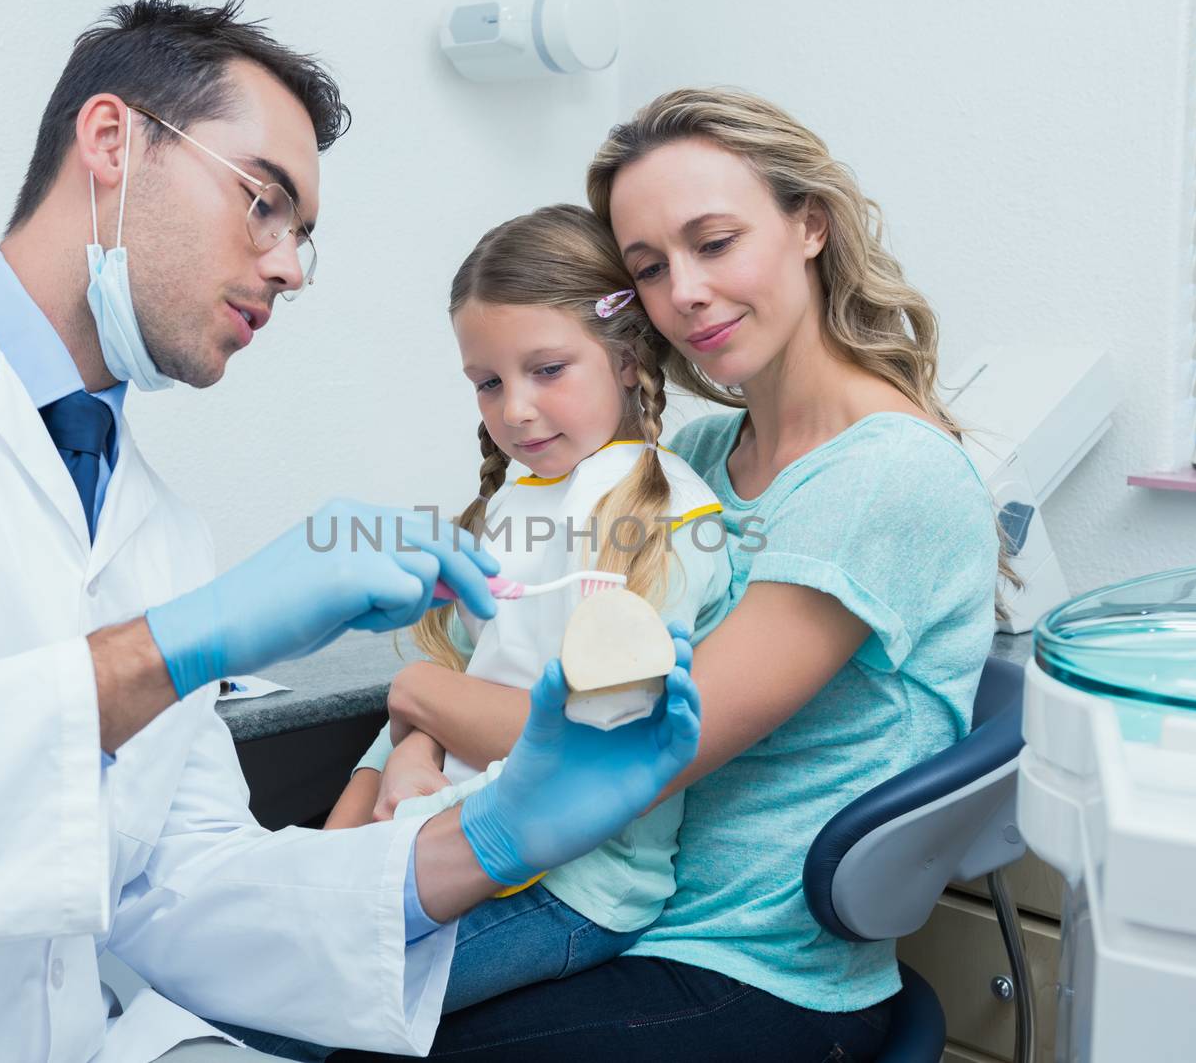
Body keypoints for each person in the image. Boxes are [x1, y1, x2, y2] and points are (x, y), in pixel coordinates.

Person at [0, 5, 704, 1062]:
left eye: (302, 235)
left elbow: (189, 893)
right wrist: (180, 641)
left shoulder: (158, 534)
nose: (290, 267)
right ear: (112, 141)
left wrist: (490, 836)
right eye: (263, 202)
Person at [336, 87, 1010, 1062]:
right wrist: (394, 754)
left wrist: (416, 696)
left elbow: (636, 742)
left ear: (808, 225)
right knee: (316, 998)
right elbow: (511, 650)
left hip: (751, 974)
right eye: (650, 266)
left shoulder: (884, 472)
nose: (683, 290)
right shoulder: (692, 449)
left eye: (715, 242)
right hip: (615, 921)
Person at [327, 206, 731, 1014]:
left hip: (573, 887)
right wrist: (414, 750)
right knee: (268, 958)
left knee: (311, 998)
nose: (514, 409)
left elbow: (598, 750)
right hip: (453, 833)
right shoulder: (519, 501)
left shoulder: (665, 519)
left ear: (624, 357)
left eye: (547, 369)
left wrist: (422, 710)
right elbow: (464, 673)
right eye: (489, 382)